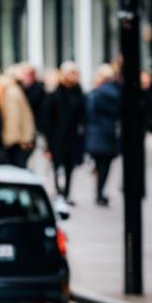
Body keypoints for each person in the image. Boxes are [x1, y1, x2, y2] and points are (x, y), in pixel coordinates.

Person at [44, 61, 86, 202]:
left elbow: (83, 115)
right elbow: (48, 118)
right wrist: (48, 143)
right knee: (57, 166)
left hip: (73, 137)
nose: (72, 77)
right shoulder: (55, 94)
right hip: (58, 137)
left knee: (70, 166)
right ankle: (59, 190)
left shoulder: (78, 93)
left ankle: (67, 192)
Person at [84, 64, 121, 207]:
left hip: (99, 134)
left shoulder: (97, 93)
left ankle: (99, 192)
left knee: (101, 166)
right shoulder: (110, 92)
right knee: (104, 166)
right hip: (106, 134)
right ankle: (100, 193)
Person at [0, 65, 36, 168]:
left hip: (17, 139)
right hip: (18, 139)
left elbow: (14, 118)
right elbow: (13, 118)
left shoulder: (12, 91)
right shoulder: (14, 91)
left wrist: (11, 139)